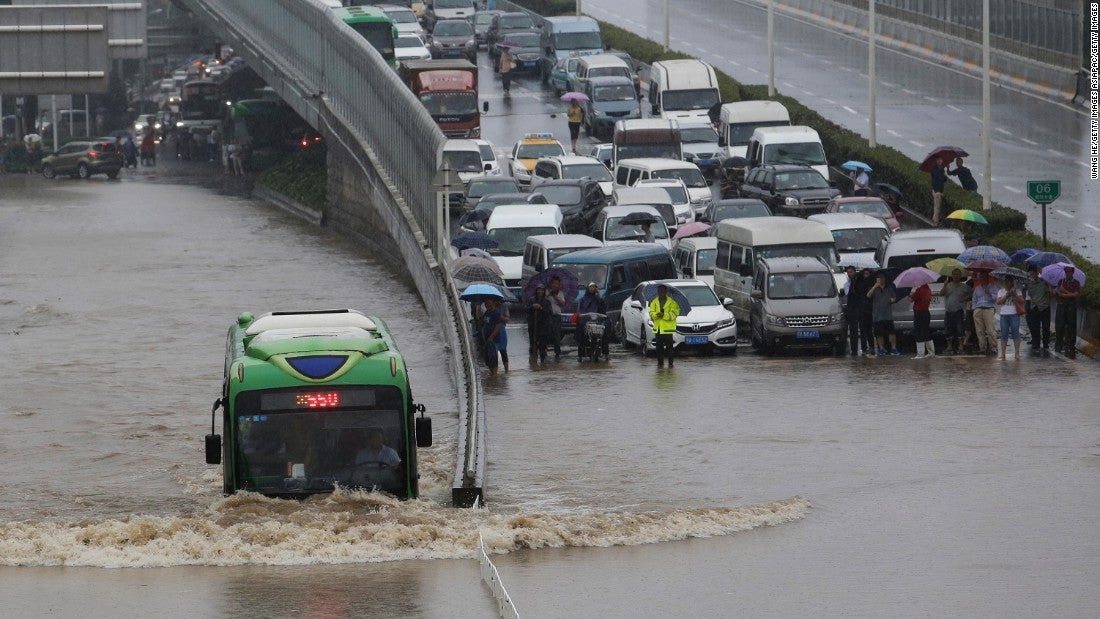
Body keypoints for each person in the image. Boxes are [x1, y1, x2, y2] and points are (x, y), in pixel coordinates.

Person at [939, 268, 971, 354]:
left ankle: (960, 347)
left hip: (959, 311)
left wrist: (966, 298)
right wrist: (944, 286)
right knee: (948, 329)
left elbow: (971, 294)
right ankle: (949, 347)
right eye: (954, 274)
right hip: (948, 311)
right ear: (952, 276)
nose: (956, 276)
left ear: (960, 276)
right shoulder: (948, 285)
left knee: (960, 329)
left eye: (958, 274)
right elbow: (941, 294)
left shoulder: (964, 286)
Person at [867, 272, 899, 356]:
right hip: (877, 315)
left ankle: (894, 348)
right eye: (879, 278)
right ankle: (881, 348)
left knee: (891, 332)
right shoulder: (874, 288)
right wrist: (875, 286)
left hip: (888, 314)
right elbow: (868, 295)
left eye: (882, 278)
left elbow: (894, 298)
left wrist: (893, 299)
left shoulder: (889, 288)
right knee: (878, 333)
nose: (881, 279)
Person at [648, 284, 680, 368]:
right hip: (658, 329)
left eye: (663, 291)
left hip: (667, 329)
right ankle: (660, 364)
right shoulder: (654, 302)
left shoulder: (672, 302)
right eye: (659, 291)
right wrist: (656, 315)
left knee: (669, 347)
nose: (661, 293)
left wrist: (664, 315)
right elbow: (651, 313)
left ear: (666, 292)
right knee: (659, 348)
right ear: (658, 292)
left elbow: (675, 313)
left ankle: (670, 364)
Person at [994, 275, 1024, 360]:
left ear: (1012, 282)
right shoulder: (1001, 291)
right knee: (1004, 334)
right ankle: (1003, 353)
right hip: (1004, 314)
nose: (1007, 283)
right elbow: (998, 302)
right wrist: (1006, 296)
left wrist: (1014, 295)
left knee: (1015, 333)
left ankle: (1017, 353)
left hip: (1014, 314)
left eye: (1009, 281)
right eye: (1006, 281)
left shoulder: (1017, 291)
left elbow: (1022, 301)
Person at [1053, 265, 1080, 358]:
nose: (1068, 273)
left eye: (1069, 272)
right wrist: (1063, 294)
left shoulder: (1076, 283)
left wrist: (1064, 292)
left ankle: (1071, 347)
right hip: (1061, 306)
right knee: (1059, 326)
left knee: (1071, 328)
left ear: (1072, 273)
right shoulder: (1061, 281)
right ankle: (1058, 346)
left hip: (1071, 308)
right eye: (1066, 272)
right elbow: (1057, 293)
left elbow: (1075, 295)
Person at [576, 281, 609, 359]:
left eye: (594, 287)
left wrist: (599, 294)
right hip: (586, 321)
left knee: (606, 331)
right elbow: (580, 311)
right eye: (591, 287)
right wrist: (584, 316)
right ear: (588, 288)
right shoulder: (583, 299)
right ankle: (580, 355)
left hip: (598, 322)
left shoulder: (598, 298)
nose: (592, 288)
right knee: (580, 332)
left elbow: (603, 309)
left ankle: (606, 354)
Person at [970, 272, 999, 356]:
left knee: (990, 329)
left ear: (987, 278)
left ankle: (994, 348)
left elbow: (995, 299)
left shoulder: (992, 287)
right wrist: (974, 309)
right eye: (980, 277)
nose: (982, 279)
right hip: (978, 309)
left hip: (988, 309)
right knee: (979, 330)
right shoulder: (977, 288)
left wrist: (988, 292)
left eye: (983, 277)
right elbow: (974, 299)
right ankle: (982, 348)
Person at [1024, 264, 1051, 355]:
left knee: (1045, 327)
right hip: (1035, 307)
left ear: (1036, 273)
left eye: (1032, 274)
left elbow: (1049, 293)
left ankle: (1046, 343)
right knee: (1035, 326)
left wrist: (1048, 292)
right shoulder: (1029, 284)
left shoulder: (1043, 281)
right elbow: (1029, 295)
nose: (1031, 276)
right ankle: (1036, 342)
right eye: (1030, 274)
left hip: (1044, 307)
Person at [853, 267, 876, 355]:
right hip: (863, 308)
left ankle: (875, 346)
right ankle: (869, 347)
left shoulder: (873, 282)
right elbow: (857, 292)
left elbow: (870, 295)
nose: (866, 275)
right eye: (864, 274)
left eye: (867, 274)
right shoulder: (859, 282)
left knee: (875, 329)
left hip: (872, 308)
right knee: (866, 329)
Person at [526, 285, 553, 361]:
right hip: (533, 325)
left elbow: (549, 312)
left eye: (542, 290)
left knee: (542, 344)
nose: (540, 292)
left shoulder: (547, 301)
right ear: (536, 291)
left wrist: (541, 308)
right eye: (538, 290)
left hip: (543, 326)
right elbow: (526, 309)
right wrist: (532, 306)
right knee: (533, 343)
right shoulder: (531, 300)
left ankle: (542, 360)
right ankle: (533, 360)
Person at [910, 280, 935, 358]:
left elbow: (911, 299)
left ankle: (920, 354)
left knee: (918, 332)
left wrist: (911, 294)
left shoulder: (919, 289)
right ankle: (931, 352)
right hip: (926, 312)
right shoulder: (928, 289)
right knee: (926, 331)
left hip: (919, 313)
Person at [841, 266, 863, 355]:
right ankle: (852, 350)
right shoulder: (846, 284)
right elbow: (846, 294)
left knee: (860, 329)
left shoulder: (859, 282)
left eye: (851, 272)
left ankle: (862, 348)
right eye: (848, 272)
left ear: (854, 272)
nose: (849, 274)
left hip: (859, 308)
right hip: (850, 309)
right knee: (850, 330)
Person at [482, 298, 505, 375]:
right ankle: (492, 376)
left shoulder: (496, 313)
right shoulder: (486, 313)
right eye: (485, 303)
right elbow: (484, 324)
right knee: (488, 359)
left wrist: (491, 337)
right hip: (487, 339)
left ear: (493, 303)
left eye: (489, 303)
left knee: (493, 359)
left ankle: (495, 376)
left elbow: (498, 327)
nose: (487, 305)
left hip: (493, 340)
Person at [546, 275, 567, 358]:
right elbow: (543, 300)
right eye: (553, 283)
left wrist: (555, 296)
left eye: (557, 283)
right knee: (547, 334)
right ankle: (544, 351)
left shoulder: (560, 293)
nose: (555, 285)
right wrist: (548, 294)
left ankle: (557, 353)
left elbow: (562, 303)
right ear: (551, 284)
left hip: (557, 316)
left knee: (557, 335)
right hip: (548, 316)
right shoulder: (546, 291)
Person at [929, 155, 946, 226]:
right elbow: (935, 181)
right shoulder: (934, 170)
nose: (939, 161)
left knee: (937, 206)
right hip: (937, 191)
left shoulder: (942, 169)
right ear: (936, 161)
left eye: (941, 160)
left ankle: (934, 219)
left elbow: (943, 180)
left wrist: (945, 176)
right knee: (937, 207)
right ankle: (936, 222)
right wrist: (938, 192)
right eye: (938, 160)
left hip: (940, 191)